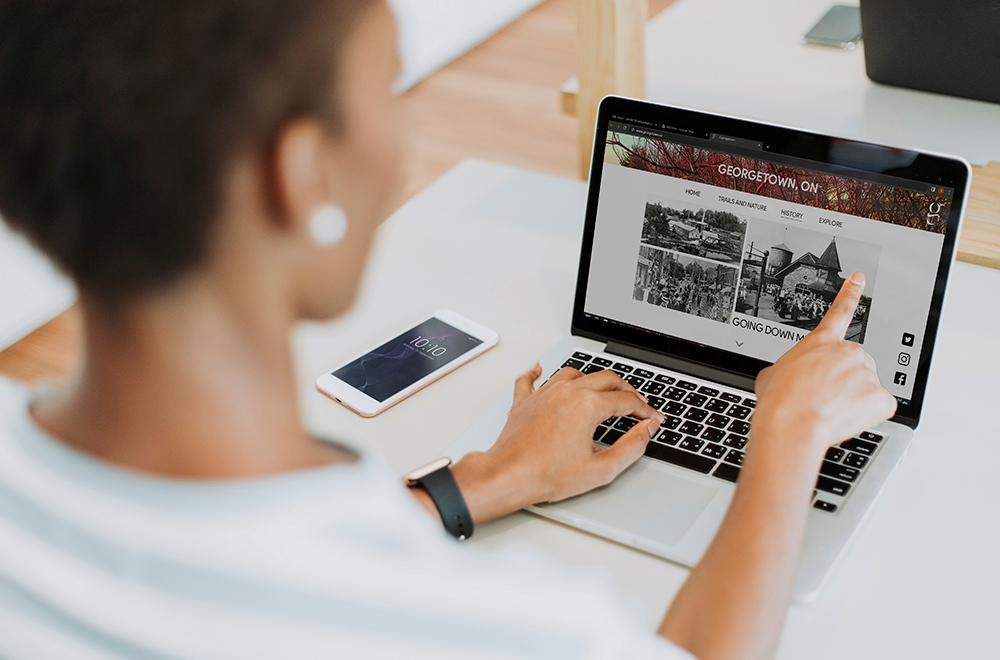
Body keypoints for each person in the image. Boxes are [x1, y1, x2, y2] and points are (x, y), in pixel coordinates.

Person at [0, 1, 896, 658]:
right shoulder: (478, 630)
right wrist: (785, 432)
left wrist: (487, 478)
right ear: (302, 174)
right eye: (388, 91)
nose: (397, 146)